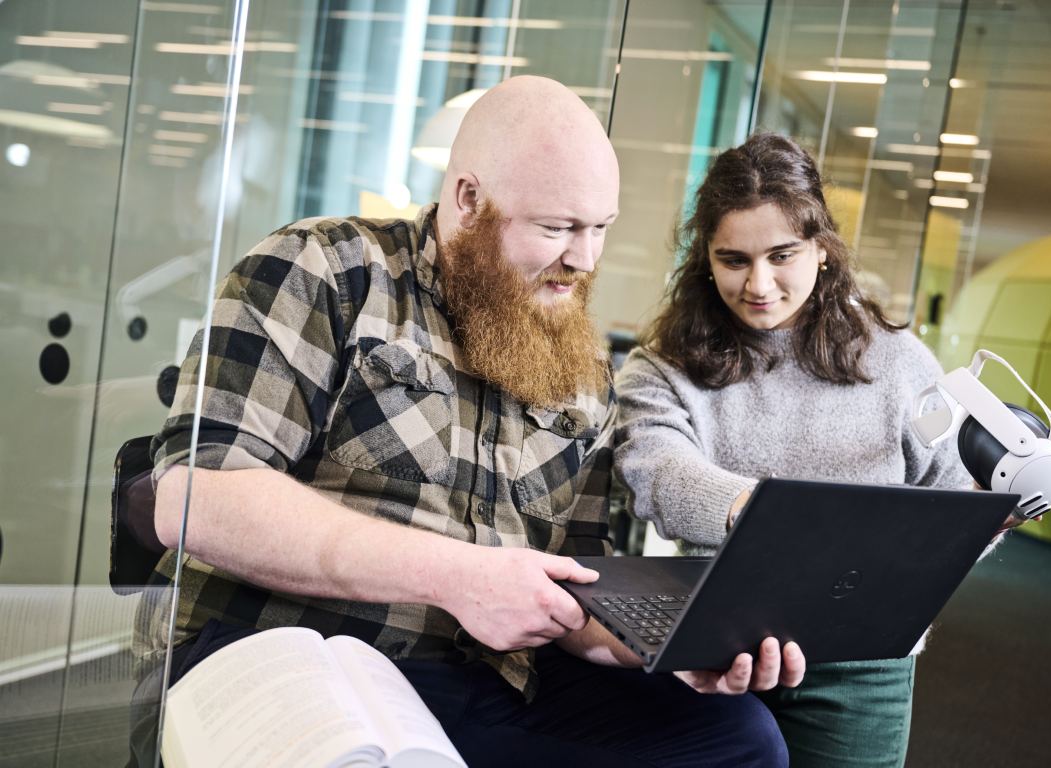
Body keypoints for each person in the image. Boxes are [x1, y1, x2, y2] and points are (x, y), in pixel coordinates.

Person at [130, 77, 803, 768]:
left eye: (600, 227)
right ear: (468, 199)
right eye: (556, 227)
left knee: (741, 741)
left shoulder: (582, 365)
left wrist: (669, 644)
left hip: (488, 680)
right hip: (296, 653)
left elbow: (572, 589)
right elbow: (196, 499)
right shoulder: (324, 271)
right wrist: (456, 576)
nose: (585, 258)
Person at [613, 132, 1022, 768]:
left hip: (862, 663)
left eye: (782, 255)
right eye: (733, 259)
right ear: (705, 259)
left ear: (821, 249)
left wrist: (996, 511)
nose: (759, 283)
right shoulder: (661, 367)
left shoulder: (898, 364)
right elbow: (660, 474)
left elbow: (952, 494)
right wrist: (776, 517)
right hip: (720, 651)